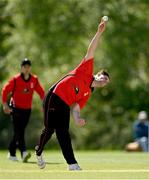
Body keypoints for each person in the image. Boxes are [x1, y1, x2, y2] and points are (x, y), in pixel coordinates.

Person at [35, 17, 110, 170]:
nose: (104, 80)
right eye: (104, 76)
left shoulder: (87, 93)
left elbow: (76, 107)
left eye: (107, 81)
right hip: (54, 96)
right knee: (49, 130)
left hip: (64, 104)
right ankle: (39, 151)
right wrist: (99, 32)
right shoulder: (86, 69)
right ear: (97, 74)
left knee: (63, 133)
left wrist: (77, 119)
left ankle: (72, 164)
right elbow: (91, 50)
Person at [1, 58, 45, 162]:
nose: (26, 69)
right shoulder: (15, 80)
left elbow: (41, 93)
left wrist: (44, 105)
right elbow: (5, 90)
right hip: (15, 108)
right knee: (19, 131)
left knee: (20, 131)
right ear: (21, 68)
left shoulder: (34, 79)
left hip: (27, 110)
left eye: (28, 67)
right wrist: (4, 105)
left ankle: (12, 153)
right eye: (24, 67)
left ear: (30, 68)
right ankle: (24, 152)